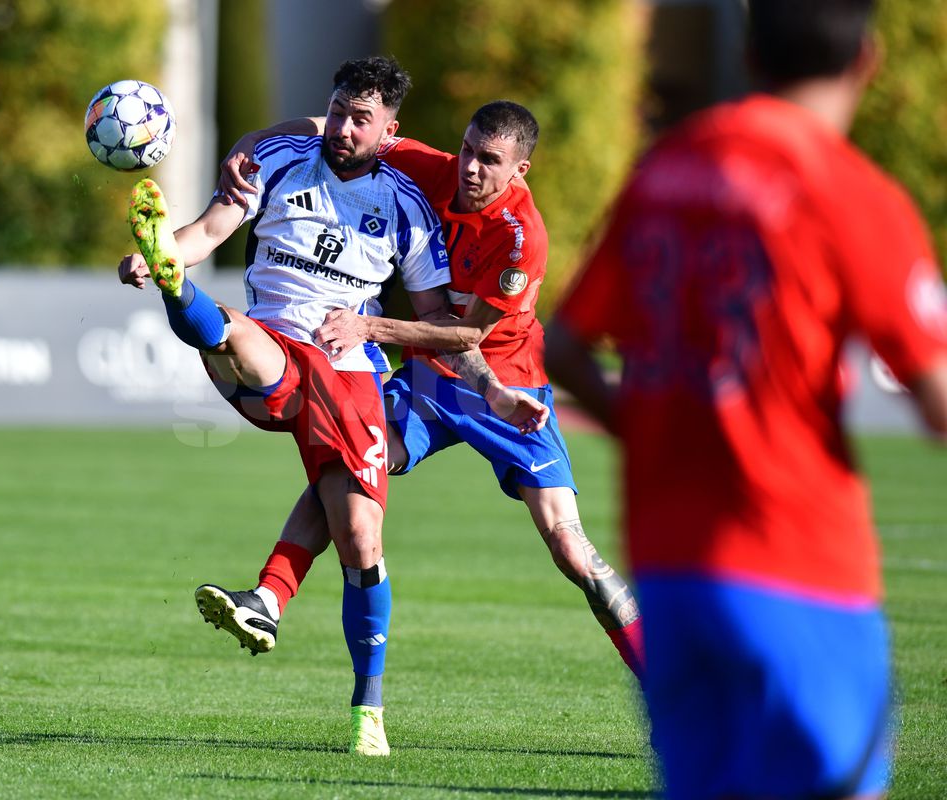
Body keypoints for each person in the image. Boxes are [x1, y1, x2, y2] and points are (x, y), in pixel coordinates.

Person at [541, 1, 947, 797]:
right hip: (798, 562)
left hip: (672, 572)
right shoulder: (846, 188)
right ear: (867, 58)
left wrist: (651, 434)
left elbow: (565, 344)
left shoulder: (668, 168)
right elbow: (937, 398)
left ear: (752, 60)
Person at [118, 56, 544, 757]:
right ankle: (177, 295)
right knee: (232, 329)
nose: (344, 128)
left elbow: (441, 321)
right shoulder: (281, 157)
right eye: (339, 111)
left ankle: (364, 710)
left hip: (349, 376)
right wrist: (163, 253)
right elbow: (206, 232)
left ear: (389, 131)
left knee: (361, 541)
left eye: (361, 120)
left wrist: (492, 387)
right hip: (277, 347)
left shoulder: (407, 204)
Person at [202, 100, 646, 685]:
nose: (470, 168)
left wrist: (369, 327)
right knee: (350, 463)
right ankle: (269, 597)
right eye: (467, 150)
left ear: (520, 170)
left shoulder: (521, 238)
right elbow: (333, 129)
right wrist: (252, 141)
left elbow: (467, 334)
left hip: (508, 386)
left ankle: (659, 677)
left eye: (490, 160)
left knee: (569, 548)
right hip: (432, 381)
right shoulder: (429, 168)